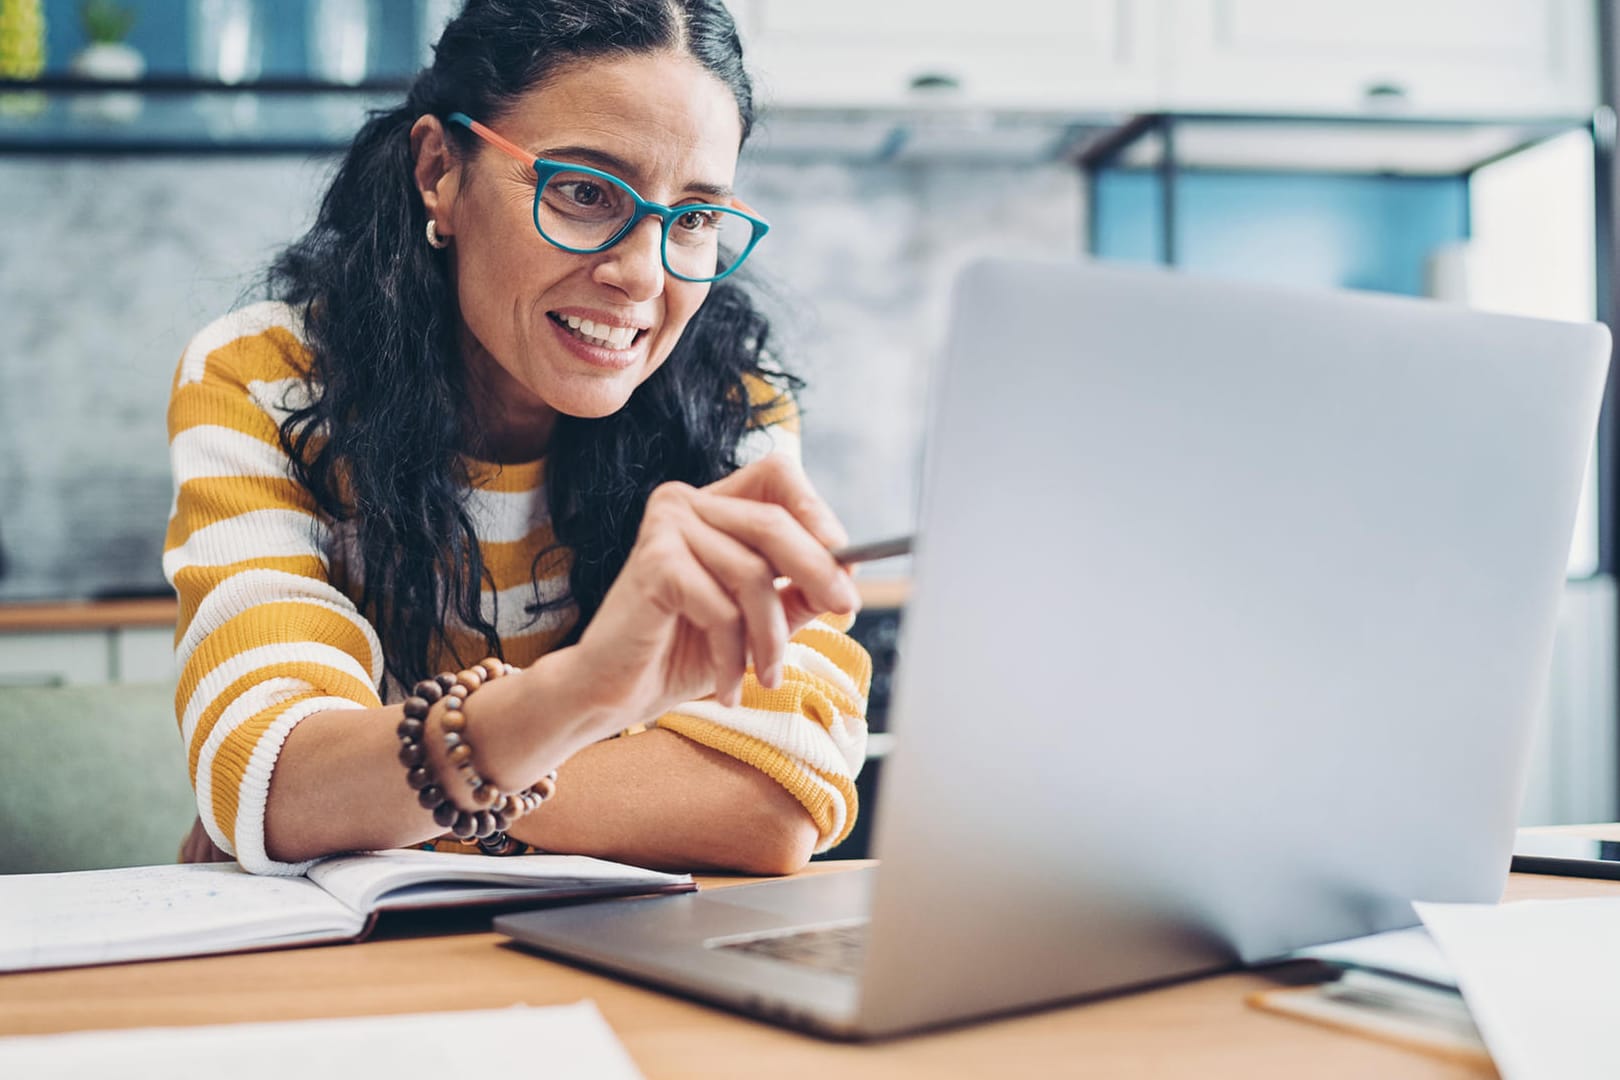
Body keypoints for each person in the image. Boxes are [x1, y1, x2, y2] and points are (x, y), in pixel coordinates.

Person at [165, 0, 870, 876]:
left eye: (692, 218)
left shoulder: (733, 403)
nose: (642, 276)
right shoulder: (266, 374)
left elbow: (773, 803)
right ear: (439, 172)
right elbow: (275, 778)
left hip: (612, 960)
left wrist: (388, 797)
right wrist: (585, 700)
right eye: (582, 192)